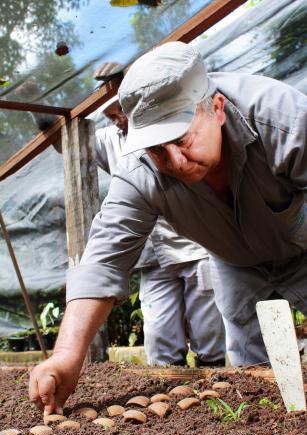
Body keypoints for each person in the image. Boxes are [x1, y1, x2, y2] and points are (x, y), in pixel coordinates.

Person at [29, 41, 307, 416]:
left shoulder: (284, 119)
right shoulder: (140, 170)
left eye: (182, 138)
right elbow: (104, 260)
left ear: (217, 109)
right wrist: (66, 356)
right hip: (237, 264)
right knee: (255, 384)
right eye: (159, 149)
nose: (174, 160)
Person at [94, 96, 225, 366]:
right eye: (111, 116)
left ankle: (214, 380)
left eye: (120, 111)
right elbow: (72, 143)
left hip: (192, 245)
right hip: (151, 256)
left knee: (207, 327)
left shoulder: (169, 121)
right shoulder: (111, 139)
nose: (118, 120)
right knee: (159, 331)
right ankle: (171, 388)